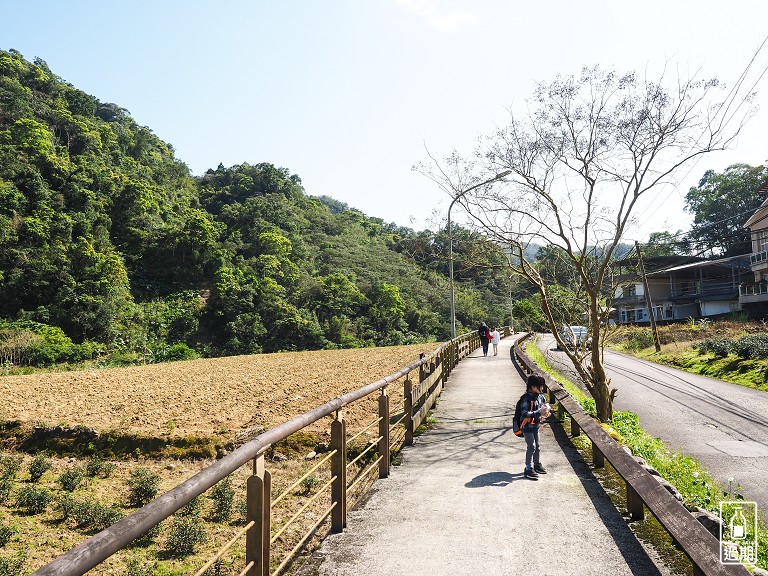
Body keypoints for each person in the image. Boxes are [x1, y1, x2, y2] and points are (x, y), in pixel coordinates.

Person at [520, 374, 550, 480]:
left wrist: (546, 411)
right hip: (527, 426)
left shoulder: (540, 397)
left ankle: (537, 464)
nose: (542, 388)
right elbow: (525, 413)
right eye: (540, 386)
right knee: (531, 446)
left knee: (537, 446)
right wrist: (538, 412)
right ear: (533, 387)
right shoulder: (526, 399)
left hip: (536, 425)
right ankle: (528, 468)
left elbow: (544, 407)